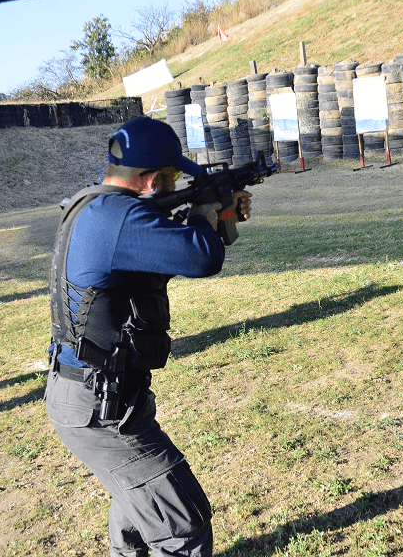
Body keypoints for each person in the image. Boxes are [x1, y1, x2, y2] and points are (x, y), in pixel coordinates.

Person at [46, 116, 252, 557]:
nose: (176, 183)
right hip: (98, 405)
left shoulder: (95, 207)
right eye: (174, 177)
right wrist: (202, 213)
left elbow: (157, 265)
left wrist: (218, 215)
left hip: (98, 394)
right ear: (154, 179)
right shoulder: (117, 219)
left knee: (140, 508)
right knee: (181, 524)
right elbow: (200, 257)